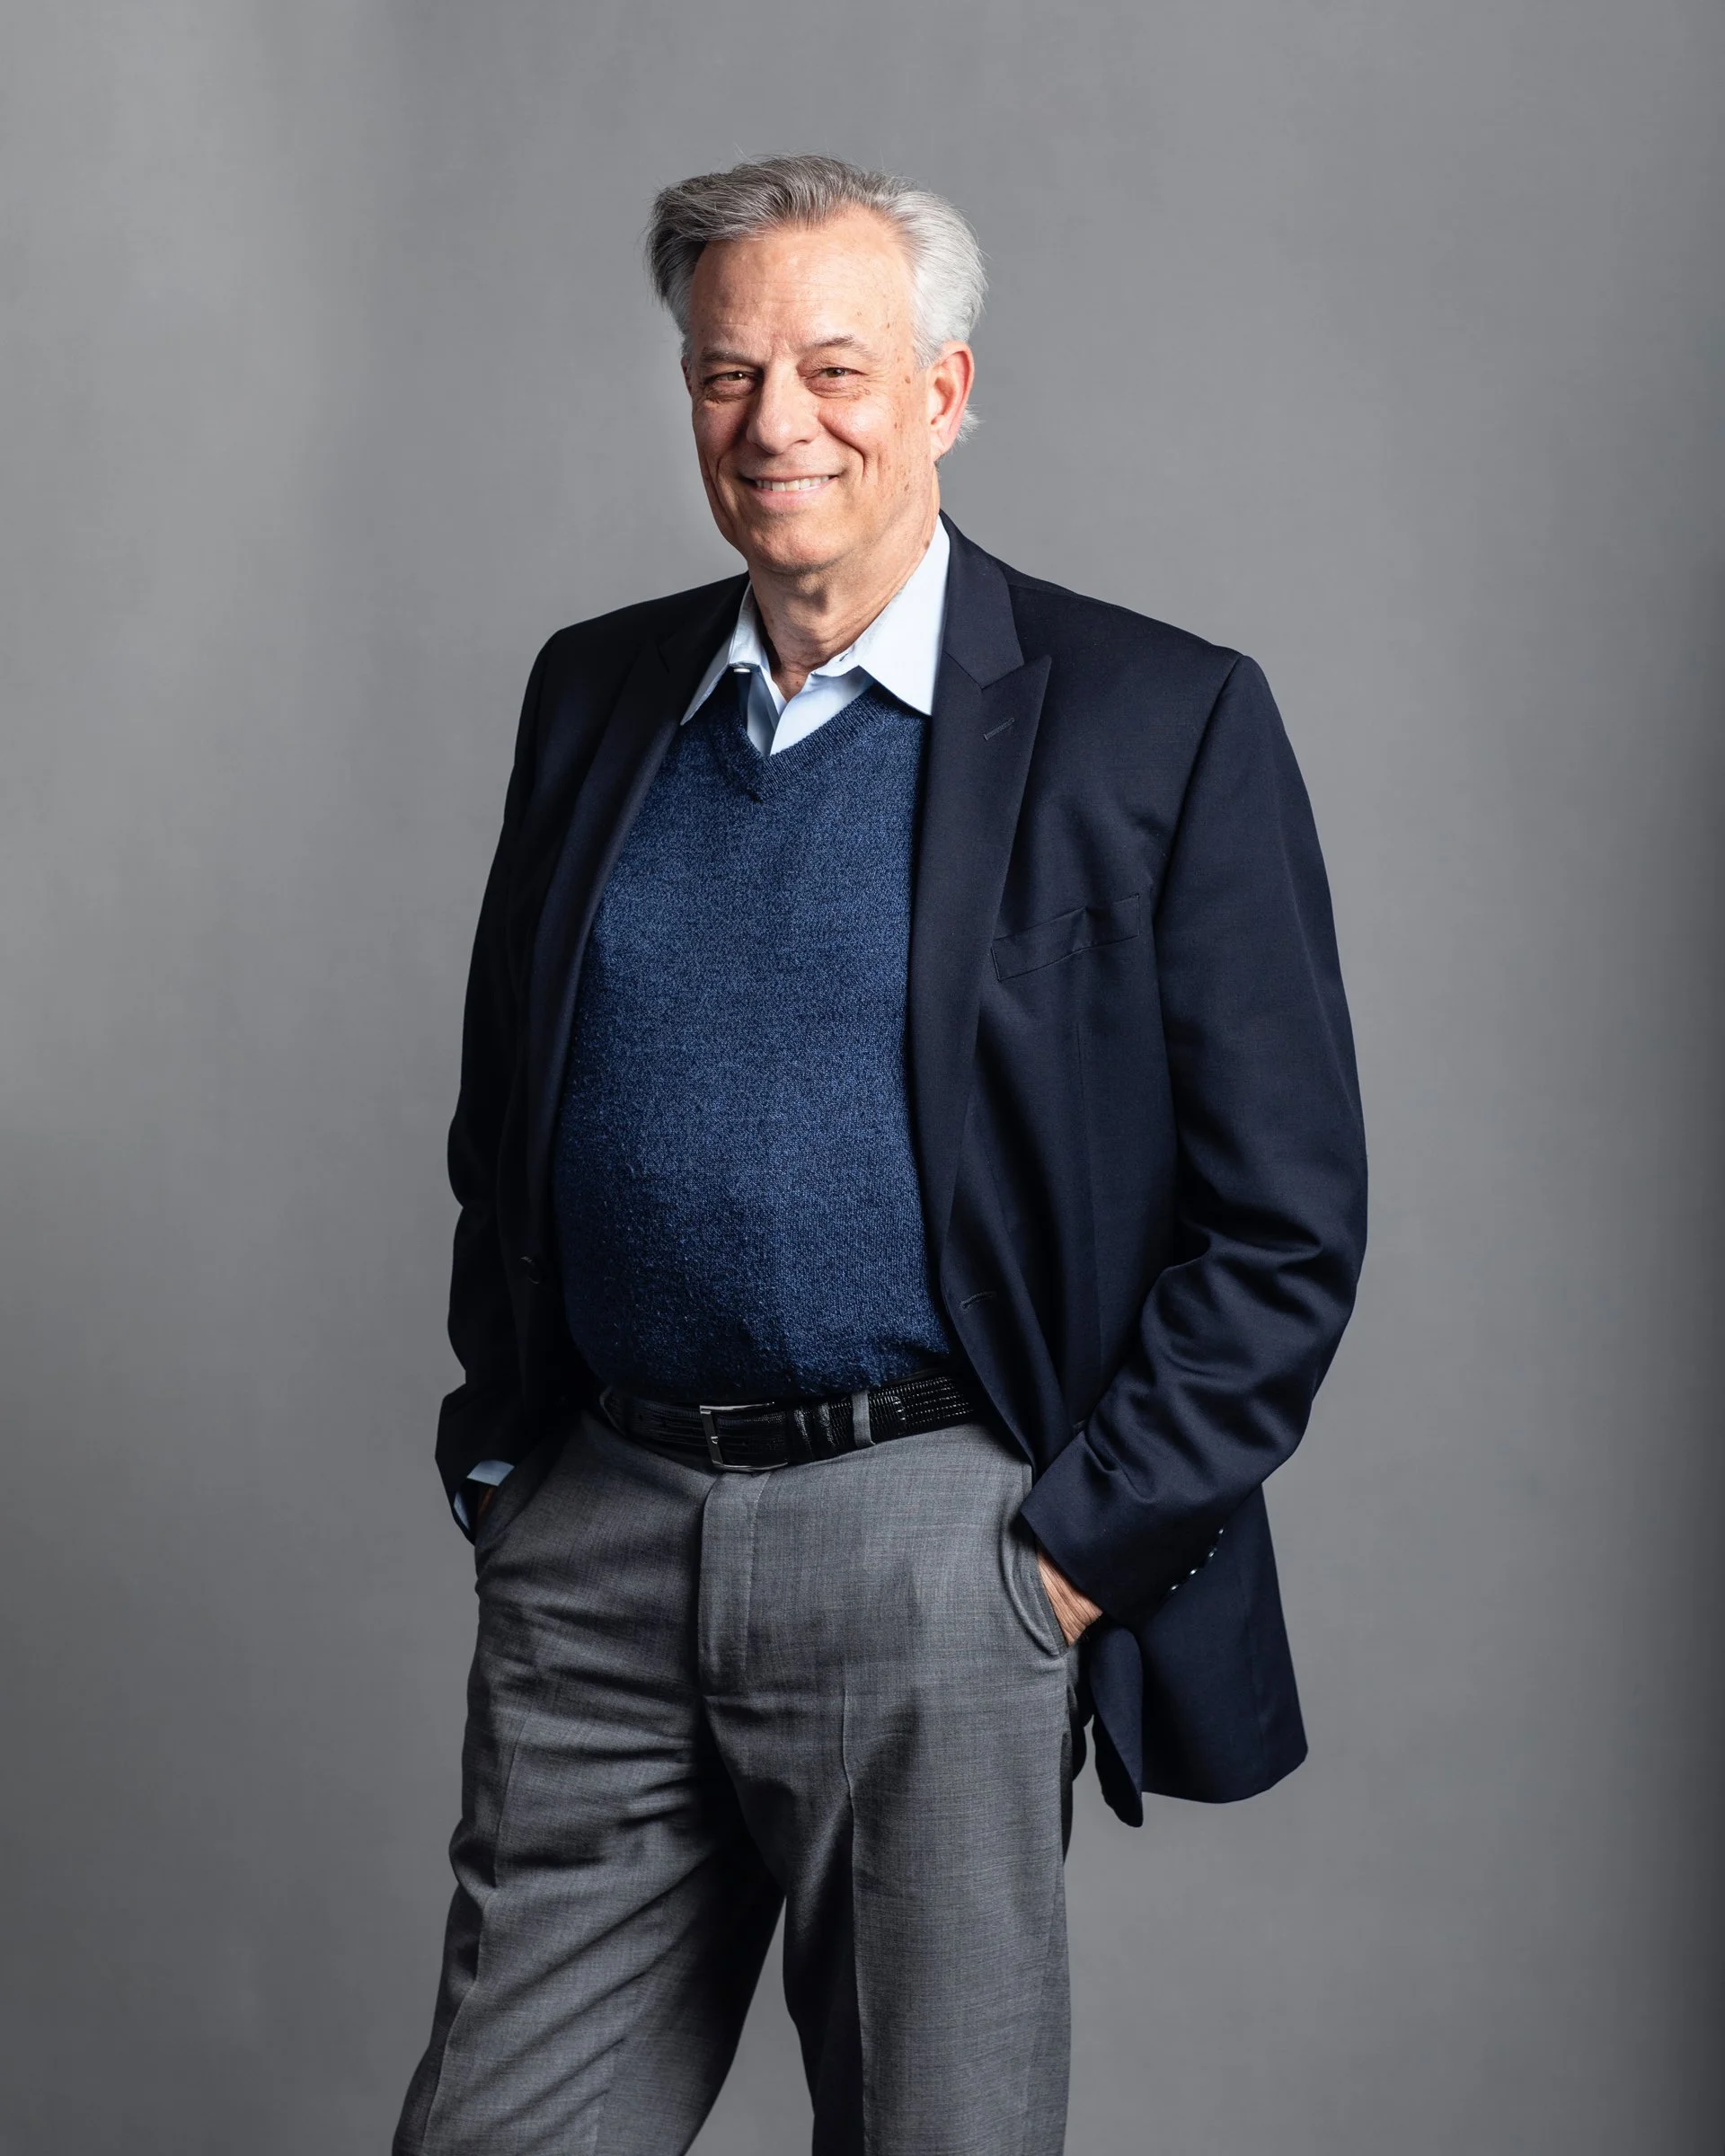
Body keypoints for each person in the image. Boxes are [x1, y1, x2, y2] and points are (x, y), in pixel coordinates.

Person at [393, 153, 1367, 2156]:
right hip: (602, 1537)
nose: (776, 425)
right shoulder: (596, 694)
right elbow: (509, 1115)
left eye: (835, 368)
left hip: (938, 1544)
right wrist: (510, 1457)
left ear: (942, 392)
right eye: (726, 373)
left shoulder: (1153, 722)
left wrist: (1062, 1563)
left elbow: (1283, 1228)